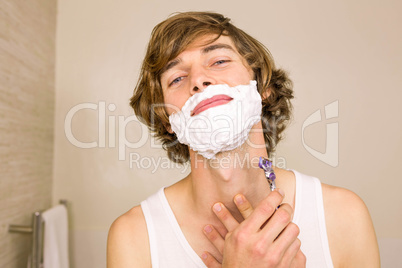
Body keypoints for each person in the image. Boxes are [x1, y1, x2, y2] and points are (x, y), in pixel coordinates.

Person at [107, 11, 380, 267]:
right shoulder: (135, 237)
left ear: (263, 88)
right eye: (177, 78)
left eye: (219, 61)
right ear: (167, 120)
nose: (199, 79)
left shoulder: (343, 216)